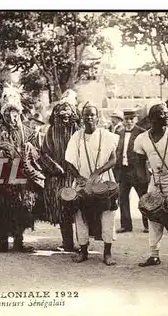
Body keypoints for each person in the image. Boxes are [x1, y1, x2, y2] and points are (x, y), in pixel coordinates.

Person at [0, 84, 45, 253]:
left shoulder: (28, 132)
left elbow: (38, 152)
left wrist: (28, 153)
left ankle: (19, 241)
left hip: (21, 175)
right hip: (1, 176)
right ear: (3, 115)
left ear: (19, 113)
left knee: (21, 207)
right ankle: (3, 242)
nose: (12, 117)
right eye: (8, 114)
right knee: (0, 207)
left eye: (14, 113)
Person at [65, 103, 119, 265]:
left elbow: (113, 159)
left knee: (108, 214)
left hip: (104, 180)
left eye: (92, 115)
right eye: (86, 115)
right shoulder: (77, 137)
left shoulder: (107, 135)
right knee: (80, 214)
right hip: (82, 181)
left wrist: (98, 172)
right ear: (82, 118)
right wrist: (78, 177)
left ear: (97, 117)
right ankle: (83, 251)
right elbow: (69, 161)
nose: (89, 117)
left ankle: (107, 253)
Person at [134, 103, 168, 273]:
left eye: (167, 113)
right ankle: (154, 255)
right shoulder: (141, 139)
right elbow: (139, 164)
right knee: (153, 219)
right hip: (155, 184)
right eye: (162, 114)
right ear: (152, 119)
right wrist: (145, 185)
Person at [40, 101, 80, 252]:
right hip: (57, 176)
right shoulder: (51, 131)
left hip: (76, 175)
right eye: (61, 112)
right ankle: (68, 243)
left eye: (68, 112)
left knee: (79, 210)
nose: (65, 115)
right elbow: (44, 152)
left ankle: (83, 243)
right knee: (62, 209)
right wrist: (55, 167)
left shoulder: (78, 131)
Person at [113, 109, 149, 233]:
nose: (128, 122)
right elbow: (116, 151)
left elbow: (147, 152)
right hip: (123, 171)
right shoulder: (119, 132)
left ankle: (148, 225)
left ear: (136, 120)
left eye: (131, 119)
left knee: (143, 198)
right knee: (122, 198)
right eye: (126, 119)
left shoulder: (142, 133)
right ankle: (126, 225)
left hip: (137, 171)